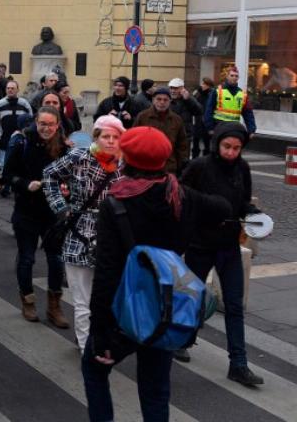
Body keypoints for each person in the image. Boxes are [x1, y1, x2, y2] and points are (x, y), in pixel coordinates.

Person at [84, 126, 231, 421]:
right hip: (166, 305)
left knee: (94, 370)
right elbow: (223, 207)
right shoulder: (181, 195)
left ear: (128, 157)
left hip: (125, 309)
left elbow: (107, 272)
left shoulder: (116, 201)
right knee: (155, 390)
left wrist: (100, 331)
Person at [177, 122, 265, 386]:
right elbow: (180, 194)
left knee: (235, 306)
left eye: (237, 148)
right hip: (200, 244)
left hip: (229, 247)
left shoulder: (242, 168)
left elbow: (243, 202)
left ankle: (238, 363)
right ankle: (182, 340)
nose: (231, 152)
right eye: (227, 146)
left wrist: (254, 215)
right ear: (218, 144)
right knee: (191, 296)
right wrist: (207, 208)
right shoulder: (200, 166)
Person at [42, 114, 124, 351]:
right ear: (96, 138)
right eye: (105, 136)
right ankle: (86, 346)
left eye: (115, 137)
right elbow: (49, 174)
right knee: (82, 299)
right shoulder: (80, 156)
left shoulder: (125, 164)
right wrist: (61, 208)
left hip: (110, 236)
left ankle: (97, 338)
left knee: (106, 297)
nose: (110, 141)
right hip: (79, 231)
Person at [3, 106, 69, 327]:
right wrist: (24, 184)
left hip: (54, 214)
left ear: (57, 125)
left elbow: (71, 179)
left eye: (51, 124)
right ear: (36, 122)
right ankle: (28, 301)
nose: (46, 128)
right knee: (27, 259)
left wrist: (66, 188)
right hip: (26, 211)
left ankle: (54, 306)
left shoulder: (64, 147)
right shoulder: (22, 143)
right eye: (42, 124)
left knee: (56, 260)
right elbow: (7, 176)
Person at [133, 87, 190, 174]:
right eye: (159, 99)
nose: (162, 102)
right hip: (146, 167)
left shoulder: (176, 120)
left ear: (170, 101)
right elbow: (134, 141)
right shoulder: (142, 117)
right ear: (153, 100)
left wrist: (181, 165)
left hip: (169, 167)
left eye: (165, 100)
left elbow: (182, 145)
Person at [0, 79, 33, 191]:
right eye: (8, 88)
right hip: (4, 141)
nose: (10, 90)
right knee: (4, 164)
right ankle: (4, 185)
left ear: (17, 90)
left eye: (12, 88)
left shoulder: (24, 104)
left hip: (21, 141)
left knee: (20, 164)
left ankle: (17, 185)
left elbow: (30, 121)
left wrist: (26, 135)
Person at [204, 67, 256, 135]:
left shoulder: (242, 94)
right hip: (219, 125)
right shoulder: (217, 91)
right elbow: (209, 110)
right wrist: (210, 128)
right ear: (227, 76)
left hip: (234, 127)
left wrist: (251, 130)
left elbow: (248, 113)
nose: (234, 77)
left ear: (238, 78)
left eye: (236, 76)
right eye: (232, 75)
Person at [192, 78, 214, 158]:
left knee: (206, 142)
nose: (202, 85)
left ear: (209, 86)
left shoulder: (211, 94)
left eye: (204, 84)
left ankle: (206, 159)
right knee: (195, 141)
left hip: (206, 121)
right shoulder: (198, 93)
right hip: (198, 120)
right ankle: (194, 159)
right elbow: (193, 102)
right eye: (202, 83)